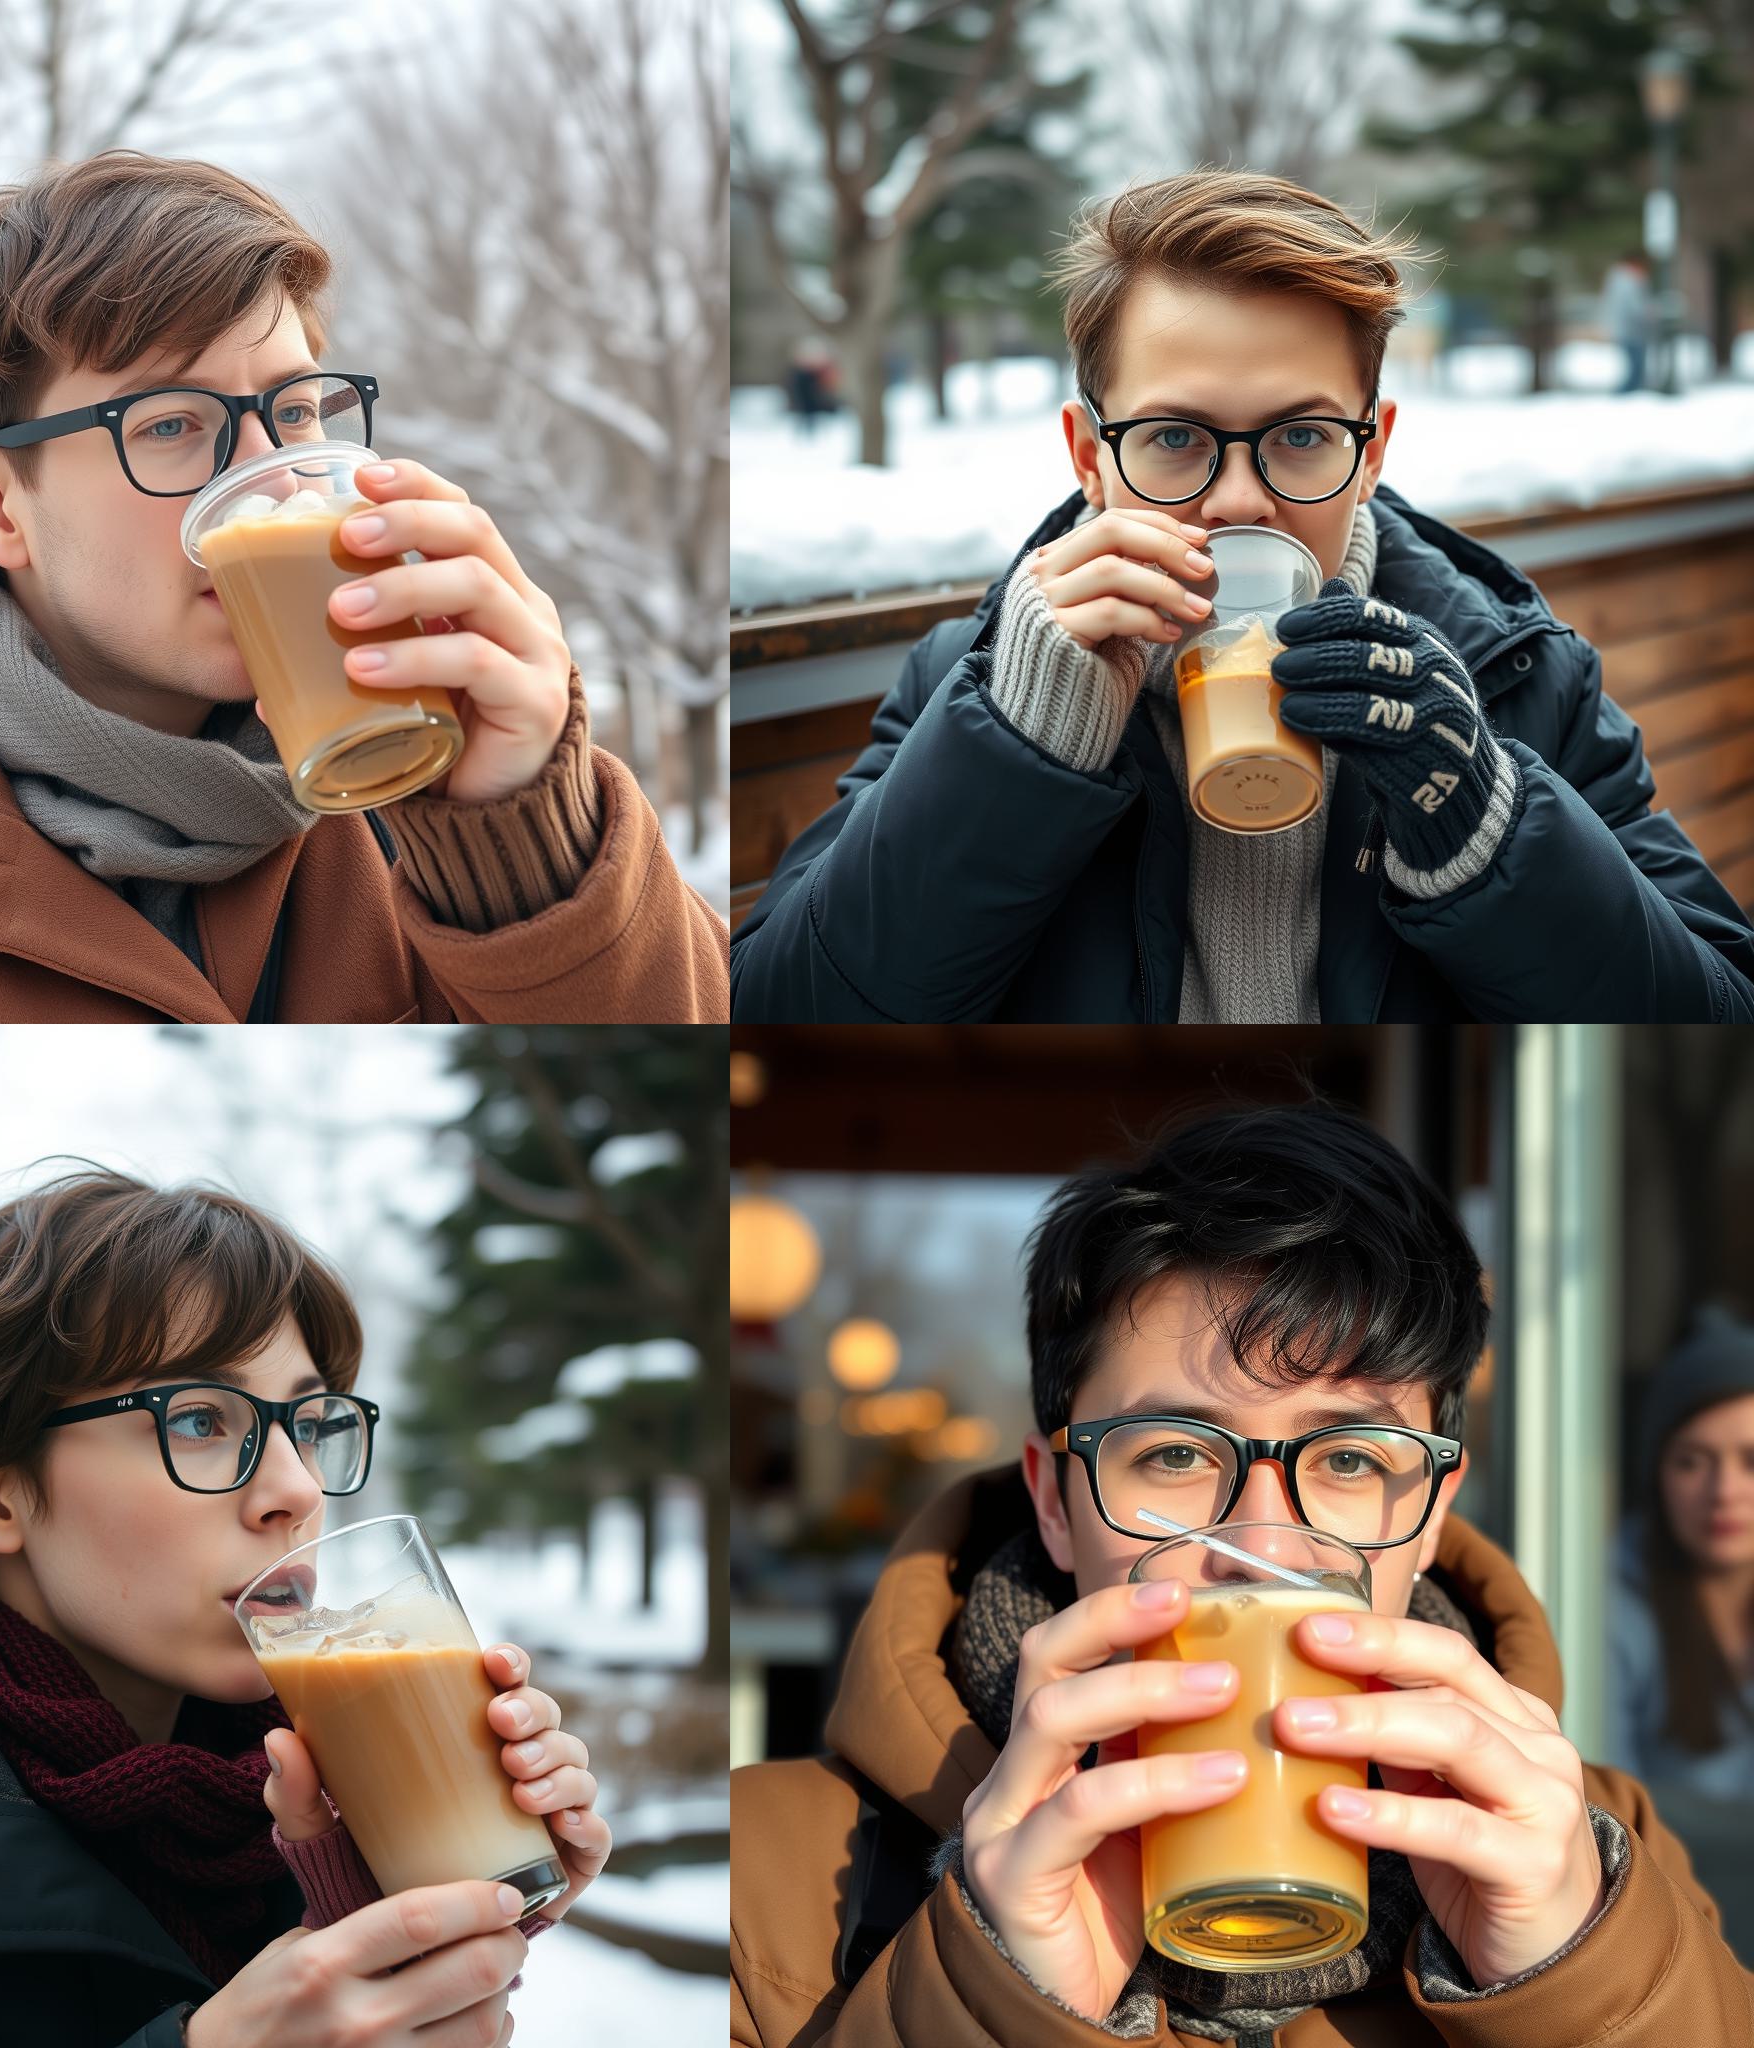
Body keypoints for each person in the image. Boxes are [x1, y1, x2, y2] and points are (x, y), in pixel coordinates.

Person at [730, 1100, 1754, 2045]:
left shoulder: (1605, 1857)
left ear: (1434, 1510)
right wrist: (995, 2001)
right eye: (1173, 1453)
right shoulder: (766, 1871)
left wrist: (1581, 1986)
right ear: (1053, 1496)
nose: (1261, 1546)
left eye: (1348, 1458)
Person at [0, 149, 728, 1024]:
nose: (268, 481)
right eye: (168, 425)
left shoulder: (422, 778)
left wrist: (525, 842)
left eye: (293, 410)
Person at [731, 171, 1754, 1023]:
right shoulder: (978, 677)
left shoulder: (1511, 675)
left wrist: (1482, 821)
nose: (1237, 499)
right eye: (1173, 438)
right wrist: (1021, 746)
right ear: (1090, 455)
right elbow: (779, 1010)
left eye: (1300, 436)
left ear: (1372, 448)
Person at [0, 1169, 610, 2048]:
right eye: (198, 1420)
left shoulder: (308, 1788)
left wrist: (407, 1921)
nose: (295, 1490)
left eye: (307, 1421)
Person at [1608, 1310, 1754, 1799]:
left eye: (1751, 1462)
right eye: (1692, 1462)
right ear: (1657, 1476)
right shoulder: (1610, 1614)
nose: (1724, 1491)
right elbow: (1605, 1820)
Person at [1603, 252, 1653, 395]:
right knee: (1636, 369)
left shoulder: (1618, 279)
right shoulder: (1628, 281)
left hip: (1626, 330)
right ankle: (1623, 397)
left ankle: (1627, 397)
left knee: (1635, 368)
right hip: (1631, 331)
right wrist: (1649, 311)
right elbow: (1635, 308)